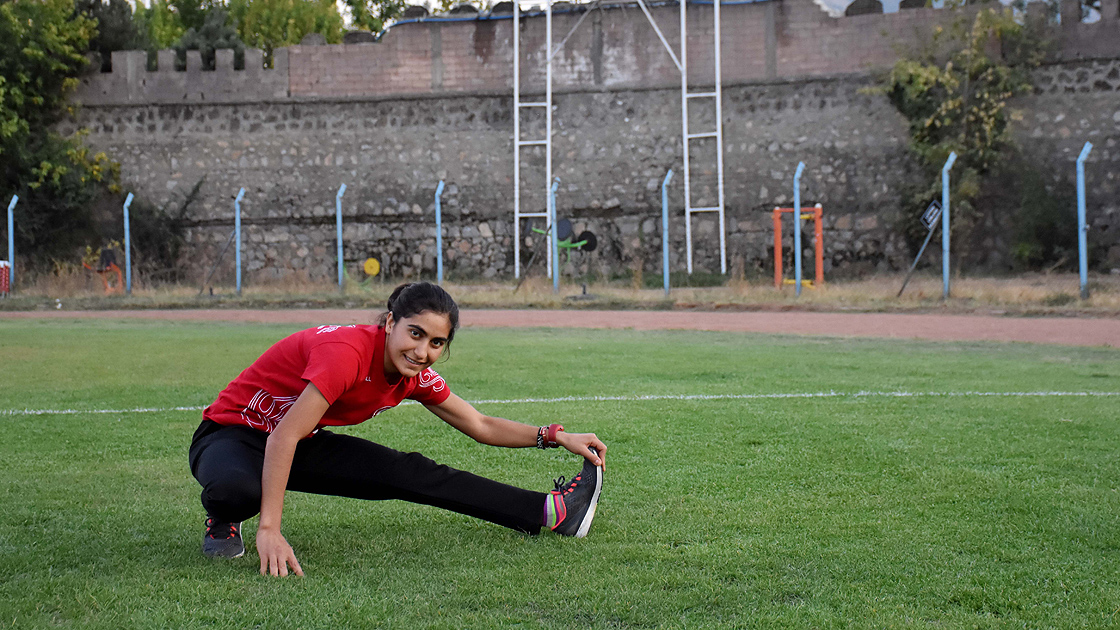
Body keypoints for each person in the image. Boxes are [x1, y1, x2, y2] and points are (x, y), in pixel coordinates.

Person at [188, 282, 607, 576]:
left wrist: (554, 435)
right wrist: (270, 529)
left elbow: (479, 424)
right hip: (229, 434)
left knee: (410, 471)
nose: (422, 351)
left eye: (436, 343)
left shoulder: (414, 374)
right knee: (238, 491)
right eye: (415, 333)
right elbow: (282, 435)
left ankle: (551, 513)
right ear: (390, 322)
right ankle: (223, 518)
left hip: (300, 440)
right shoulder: (346, 354)